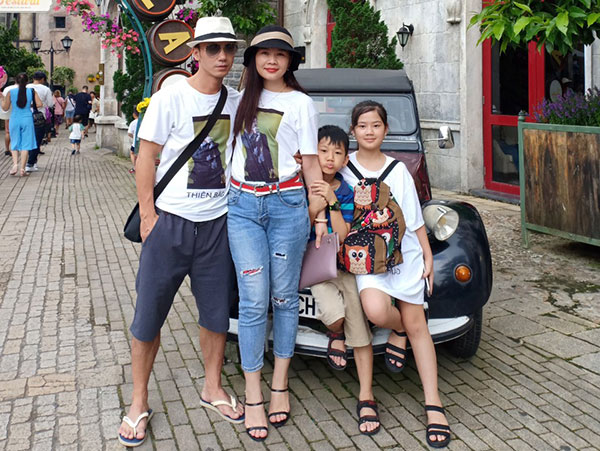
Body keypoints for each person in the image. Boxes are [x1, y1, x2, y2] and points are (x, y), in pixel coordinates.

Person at [117, 16, 245, 448]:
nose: (222, 56)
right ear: (195, 53)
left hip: (218, 224)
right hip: (169, 223)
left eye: (228, 48)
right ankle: (138, 400)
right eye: (212, 48)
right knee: (148, 315)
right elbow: (146, 157)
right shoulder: (170, 98)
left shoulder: (236, 101)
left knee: (215, 314)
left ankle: (212, 387)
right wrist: (148, 217)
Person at [228, 25, 327, 442]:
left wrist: (318, 214)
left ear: (290, 61)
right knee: (253, 299)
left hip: (287, 207)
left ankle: (280, 384)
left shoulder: (301, 103)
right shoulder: (237, 101)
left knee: (284, 298)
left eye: (280, 54)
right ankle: (253, 392)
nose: (272, 60)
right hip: (243, 208)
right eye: (264, 53)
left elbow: (310, 162)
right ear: (252, 60)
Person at [340, 101, 451, 448]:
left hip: (404, 254)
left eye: (376, 125)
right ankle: (398, 329)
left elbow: (414, 218)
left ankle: (434, 404)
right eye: (362, 125)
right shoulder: (344, 168)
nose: (369, 131)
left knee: (419, 326)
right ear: (353, 131)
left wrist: (428, 255)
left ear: (386, 130)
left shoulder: (398, 170)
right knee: (375, 310)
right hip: (367, 259)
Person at [308, 124, 380, 435]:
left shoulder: (348, 191)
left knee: (360, 332)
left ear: (345, 159)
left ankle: (367, 395)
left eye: (336, 153)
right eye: (323, 151)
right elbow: (299, 223)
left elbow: (343, 234)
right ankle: (335, 333)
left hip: (345, 266)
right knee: (334, 316)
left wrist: (332, 201)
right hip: (316, 267)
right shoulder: (304, 182)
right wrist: (316, 203)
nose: (329, 158)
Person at [0, 73, 43, 176]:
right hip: (27, 119)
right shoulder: (32, 91)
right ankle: (23, 168)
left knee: (14, 142)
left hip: (14, 118)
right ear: (27, 81)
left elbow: (5, 108)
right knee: (26, 144)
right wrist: (29, 105)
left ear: (16, 81)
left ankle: (15, 165)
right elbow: (40, 104)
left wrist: (2, 98)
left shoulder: (10, 92)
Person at [26, 71, 54, 172]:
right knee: (37, 140)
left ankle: (31, 161)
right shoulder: (46, 89)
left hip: (25, 115)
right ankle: (30, 163)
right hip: (39, 117)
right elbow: (50, 104)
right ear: (42, 79)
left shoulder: (26, 87)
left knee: (28, 139)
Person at [1, 82, 18, 157]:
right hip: (18, 113)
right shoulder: (24, 89)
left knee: (8, 132)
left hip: (8, 113)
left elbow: (4, 101)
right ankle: (15, 149)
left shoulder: (7, 88)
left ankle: (7, 150)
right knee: (16, 132)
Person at [127, 110, 139, 174]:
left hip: (136, 142)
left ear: (134, 115)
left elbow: (129, 133)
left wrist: (133, 136)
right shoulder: (145, 121)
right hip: (144, 142)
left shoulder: (133, 123)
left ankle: (135, 167)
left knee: (132, 153)